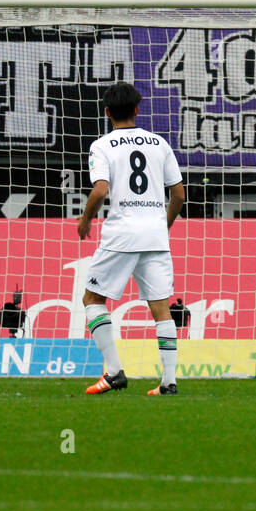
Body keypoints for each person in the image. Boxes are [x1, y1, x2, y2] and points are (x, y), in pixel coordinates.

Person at [77, 82, 186, 397]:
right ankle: (168, 382)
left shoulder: (103, 145)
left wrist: (85, 220)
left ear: (107, 112)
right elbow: (179, 194)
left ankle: (113, 372)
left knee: (93, 300)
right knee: (161, 307)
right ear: (137, 110)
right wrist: (162, 225)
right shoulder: (158, 143)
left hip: (122, 234)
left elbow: (100, 190)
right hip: (154, 235)